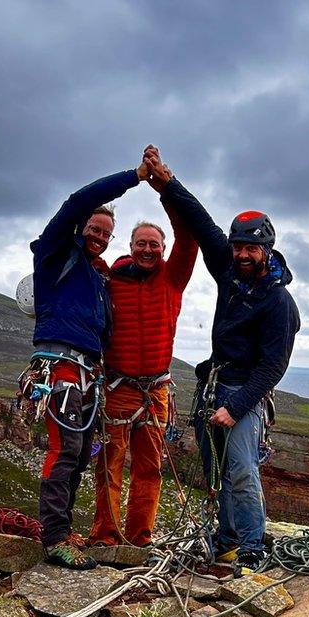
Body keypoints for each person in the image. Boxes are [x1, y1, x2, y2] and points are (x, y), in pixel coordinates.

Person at [143, 148, 300, 571]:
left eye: (252, 249)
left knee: (243, 471)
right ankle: (227, 539)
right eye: (239, 247)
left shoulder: (278, 303)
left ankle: (252, 548)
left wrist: (235, 407)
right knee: (217, 474)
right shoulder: (229, 270)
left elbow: (273, 367)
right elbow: (201, 221)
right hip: (213, 386)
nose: (243, 255)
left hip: (242, 394)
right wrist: (166, 182)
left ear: (268, 250)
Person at [29, 156, 153, 567]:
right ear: (81, 227)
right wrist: (133, 178)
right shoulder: (55, 252)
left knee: (81, 454)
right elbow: (78, 200)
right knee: (66, 449)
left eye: (107, 233)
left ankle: (61, 529)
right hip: (59, 366)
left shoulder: (94, 275)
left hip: (87, 372)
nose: (100, 237)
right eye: (95, 229)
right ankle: (54, 537)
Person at [87, 195, 198, 547]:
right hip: (118, 386)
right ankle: (105, 536)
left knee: (149, 468)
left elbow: (189, 237)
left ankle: (140, 538)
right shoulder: (110, 276)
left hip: (156, 390)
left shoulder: (173, 276)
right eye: (141, 244)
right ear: (130, 247)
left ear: (163, 249)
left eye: (154, 244)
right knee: (109, 465)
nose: (147, 250)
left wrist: (164, 189)